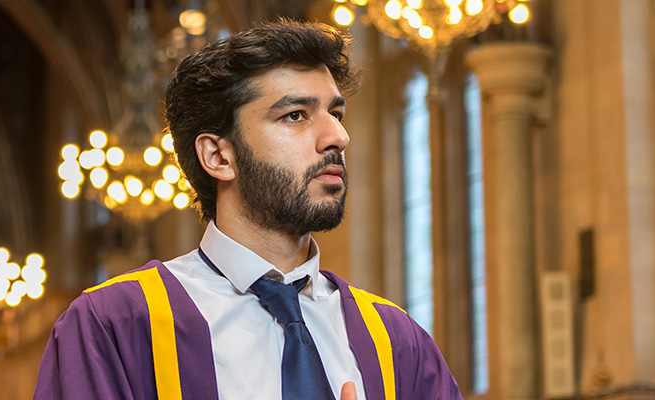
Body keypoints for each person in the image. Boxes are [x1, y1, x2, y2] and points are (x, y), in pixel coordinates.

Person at [33, 19, 461, 400]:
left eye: (336, 113)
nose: (337, 136)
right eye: (295, 115)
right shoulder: (114, 327)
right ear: (218, 156)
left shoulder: (396, 340)